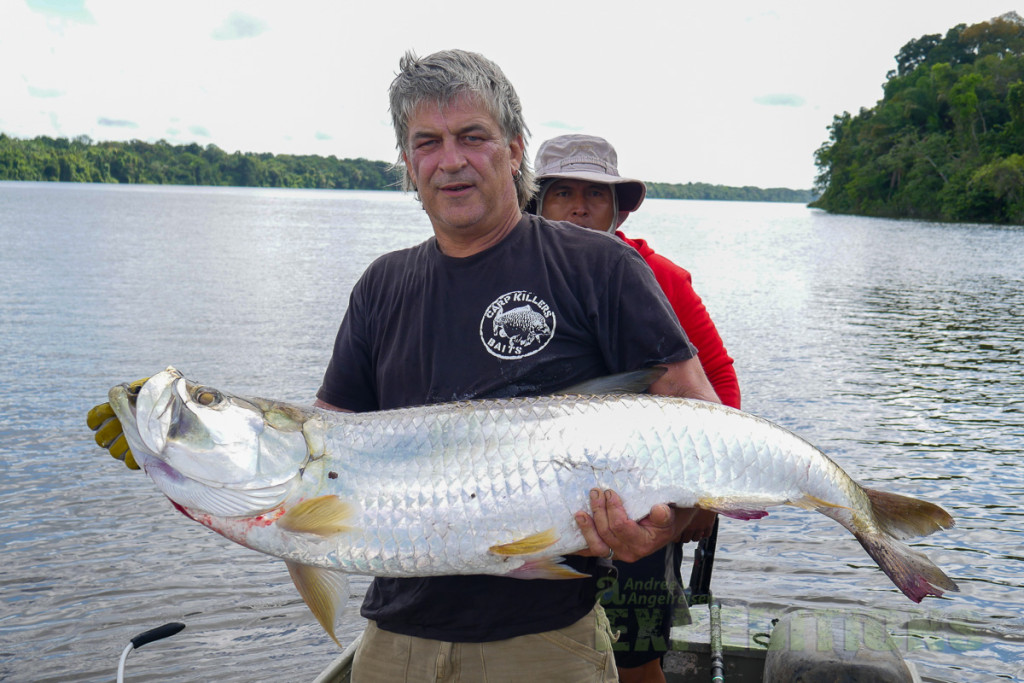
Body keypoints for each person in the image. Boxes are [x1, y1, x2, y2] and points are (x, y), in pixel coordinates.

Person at [90, 49, 722, 682]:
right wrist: (178, 459)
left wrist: (670, 529)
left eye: (473, 137)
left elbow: (708, 440)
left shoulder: (601, 268)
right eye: (428, 142)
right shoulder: (381, 285)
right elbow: (326, 452)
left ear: (514, 148)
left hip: (543, 646)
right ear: (407, 162)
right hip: (393, 642)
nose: (451, 160)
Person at [529, 133, 741, 683]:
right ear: (537, 202)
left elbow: (717, 382)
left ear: (617, 208)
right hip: (540, 494)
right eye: (562, 193)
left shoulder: (659, 277)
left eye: (595, 195)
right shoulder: (515, 279)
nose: (578, 207)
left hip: (643, 494)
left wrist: (705, 500)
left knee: (636, 656)